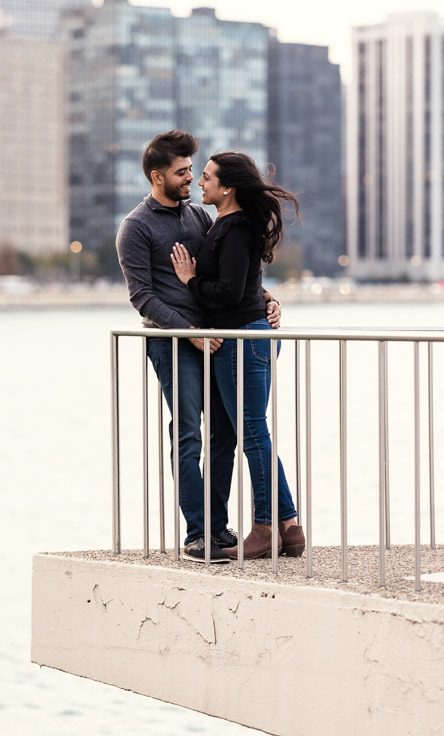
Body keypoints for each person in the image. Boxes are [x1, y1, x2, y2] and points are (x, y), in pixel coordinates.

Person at [116, 131, 282, 563]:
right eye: (181, 171)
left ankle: (218, 526)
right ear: (157, 177)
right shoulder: (135, 227)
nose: (191, 177)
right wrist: (187, 329)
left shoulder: (199, 218)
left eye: (193, 170)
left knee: (226, 433)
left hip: (219, 340)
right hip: (175, 343)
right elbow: (142, 297)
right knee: (188, 433)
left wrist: (266, 301)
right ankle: (197, 533)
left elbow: (232, 272)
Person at [170, 150, 305, 561]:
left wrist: (191, 280)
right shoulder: (226, 225)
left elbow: (229, 292)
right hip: (247, 336)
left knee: (251, 432)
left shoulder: (237, 228)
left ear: (227, 187)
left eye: (207, 177)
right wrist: (267, 298)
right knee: (253, 431)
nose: (200, 183)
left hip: (242, 340)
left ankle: (265, 528)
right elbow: (246, 286)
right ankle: (289, 526)